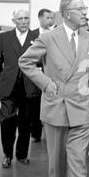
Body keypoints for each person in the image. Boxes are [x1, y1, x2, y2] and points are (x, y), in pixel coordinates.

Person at [19, 0, 89, 177]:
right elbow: (26, 62)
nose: (85, 12)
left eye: (85, 8)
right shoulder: (48, 37)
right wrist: (46, 83)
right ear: (66, 13)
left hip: (81, 109)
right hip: (56, 107)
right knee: (57, 162)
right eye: (80, 9)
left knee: (78, 163)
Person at [0, 10, 38, 168]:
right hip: (8, 86)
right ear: (14, 21)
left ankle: (22, 154)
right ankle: (7, 154)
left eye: (26, 18)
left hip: (29, 86)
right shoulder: (4, 37)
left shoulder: (37, 38)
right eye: (20, 19)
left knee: (26, 123)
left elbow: (42, 62)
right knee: (7, 122)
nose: (24, 21)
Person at [30, 9, 56, 142]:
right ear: (40, 18)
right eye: (48, 18)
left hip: (53, 76)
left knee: (52, 105)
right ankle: (36, 133)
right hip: (36, 75)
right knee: (35, 105)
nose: (51, 21)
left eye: (52, 18)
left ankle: (52, 132)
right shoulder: (32, 34)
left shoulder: (58, 34)